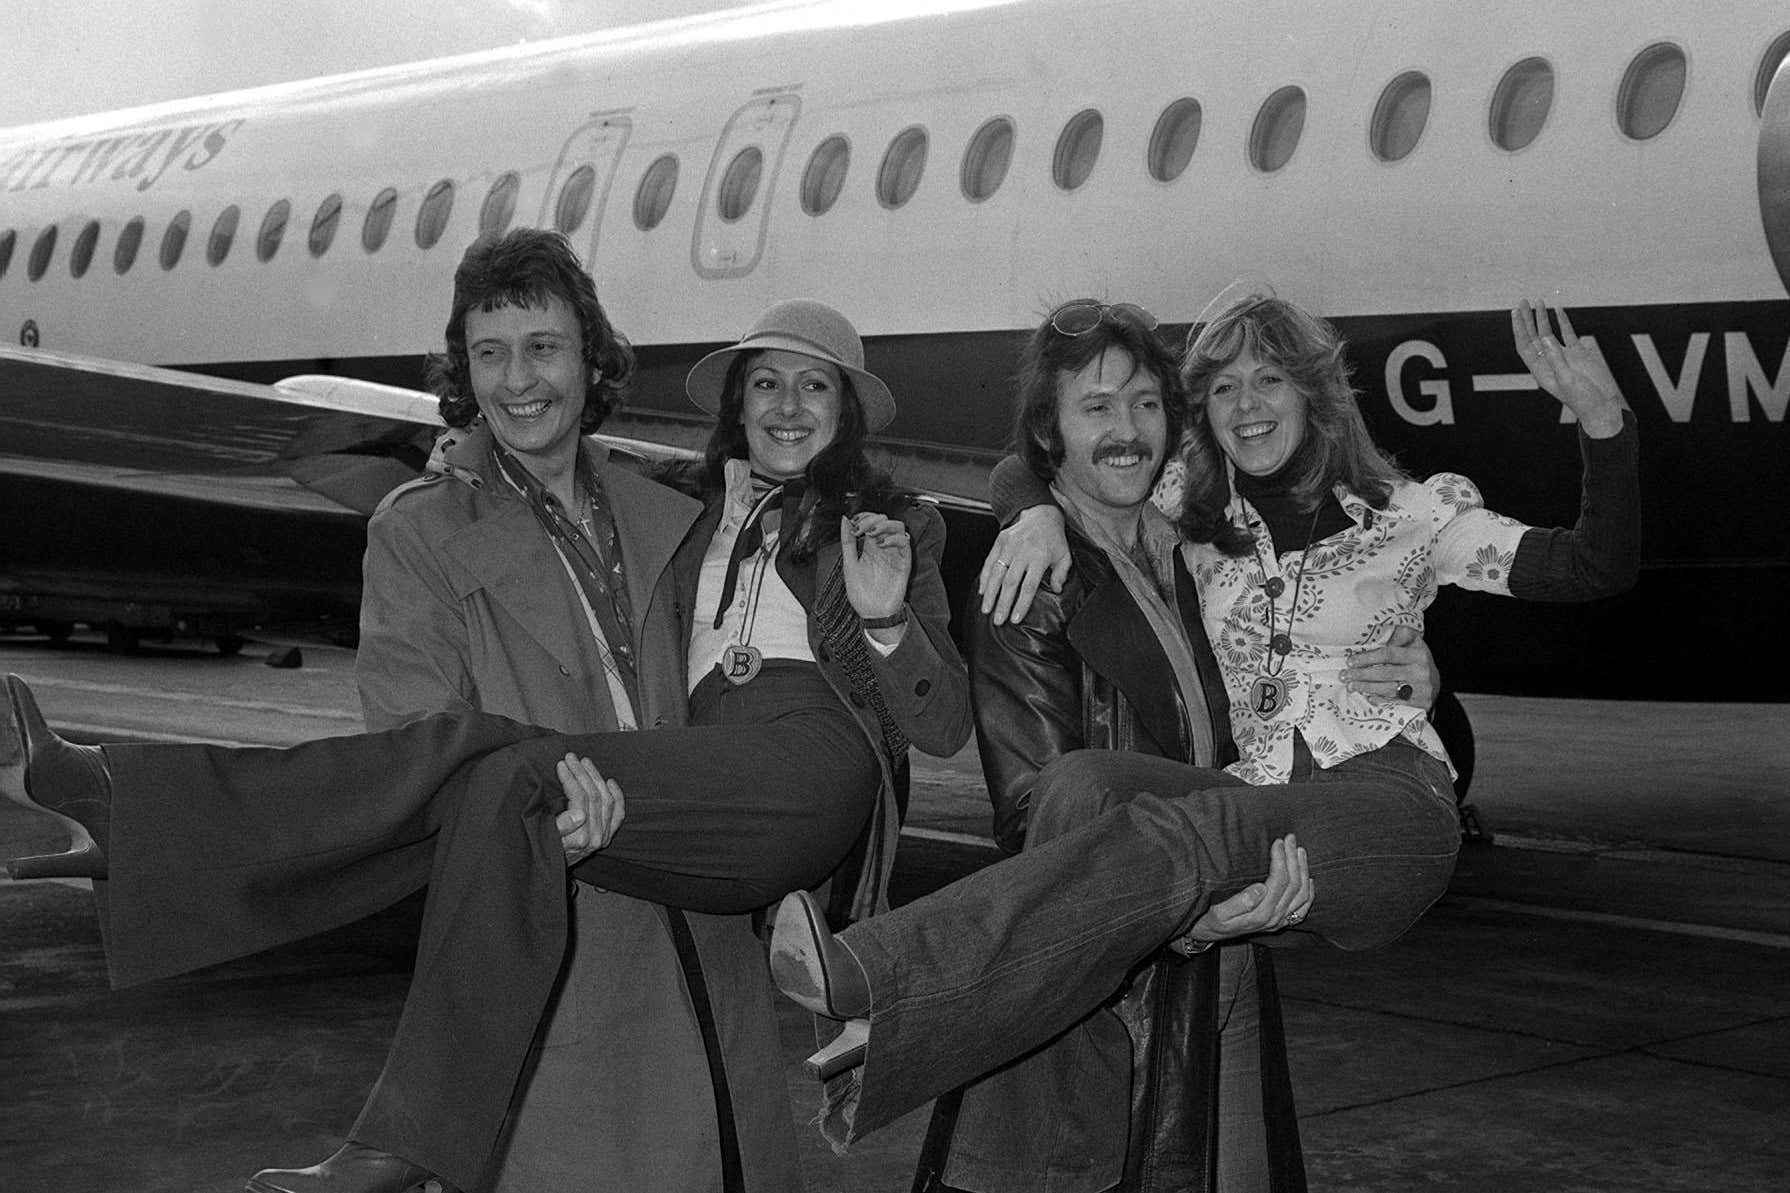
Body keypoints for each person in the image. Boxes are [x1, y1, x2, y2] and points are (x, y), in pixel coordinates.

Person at [0, 294, 971, 1193]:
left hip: (808, 766)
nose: (787, 405)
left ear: (847, 408)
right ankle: (397, 1132)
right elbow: (546, 467)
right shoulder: (681, 503)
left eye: (813, 385)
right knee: (487, 766)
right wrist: (465, 456)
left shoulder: (894, 525)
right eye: (765, 381)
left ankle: (114, 807)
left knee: (505, 769)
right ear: (737, 402)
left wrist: (887, 621)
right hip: (707, 787)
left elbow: (942, 723)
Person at [766, 292, 1639, 1147]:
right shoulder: (1200, 514)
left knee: (1203, 824)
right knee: (1084, 782)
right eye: (1222, 387)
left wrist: (1604, 425)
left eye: (1269, 380)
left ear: (1314, 390)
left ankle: (878, 976)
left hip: (1384, 808)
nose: (1247, 406)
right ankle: (996, 1083)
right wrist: (1028, 511)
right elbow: (1050, 455)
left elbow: (1591, 565)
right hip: (1255, 810)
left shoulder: (1415, 516)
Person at [930, 298, 1437, 1193]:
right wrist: (1187, 913)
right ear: (1051, 436)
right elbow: (1035, 814)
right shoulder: (1032, 581)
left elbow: (1292, 680)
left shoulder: (1206, 555)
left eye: (1145, 405)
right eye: (1095, 408)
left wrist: (1408, 670)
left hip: (1226, 949)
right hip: (1108, 984)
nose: (1126, 431)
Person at [354, 227, 774, 1193]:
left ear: (591, 355)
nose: (517, 381)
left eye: (542, 347)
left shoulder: (666, 513)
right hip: (552, 941)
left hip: (706, 938)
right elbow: (415, 750)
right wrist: (532, 815)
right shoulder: (419, 533)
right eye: (488, 354)